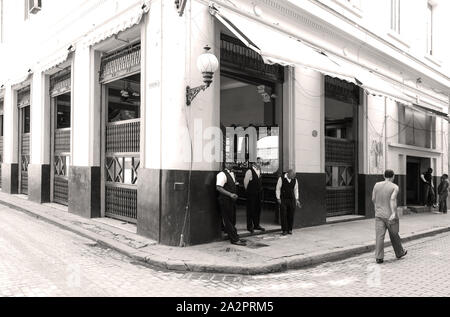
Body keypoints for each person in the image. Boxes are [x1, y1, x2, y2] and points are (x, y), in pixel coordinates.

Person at [372, 169, 407, 264]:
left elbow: (373, 199)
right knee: (395, 234)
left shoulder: (376, 185)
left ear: (384, 176)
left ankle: (379, 257)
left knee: (379, 236)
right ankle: (399, 253)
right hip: (390, 215)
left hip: (378, 214)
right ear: (393, 176)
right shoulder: (395, 187)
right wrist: (394, 213)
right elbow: (392, 199)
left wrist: (377, 210)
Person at [216, 163, 246, 246]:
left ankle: (235, 236)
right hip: (225, 200)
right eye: (229, 163)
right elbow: (218, 187)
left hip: (231, 200)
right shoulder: (221, 174)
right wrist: (230, 194)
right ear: (225, 165)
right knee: (228, 220)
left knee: (232, 219)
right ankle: (234, 239)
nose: (231, 164)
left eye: (232, 163)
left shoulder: (232, 173)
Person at [276, 169, 302, 235]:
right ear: (288, 174)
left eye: (294, 176)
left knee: (291, 214)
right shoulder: (281, 179)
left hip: (292, 199)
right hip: (283, 199)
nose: (293, 177)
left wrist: (297, 199)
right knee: (283, 214)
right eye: (292, 176)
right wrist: (278, 198)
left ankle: (290, 229)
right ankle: (284, 230)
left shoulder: (295, 180)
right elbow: (278, 189)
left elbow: (296, 190)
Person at [244, 158, 265, 233]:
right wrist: (249, 192)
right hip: (251, 194)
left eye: (260, 162)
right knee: (250, 210)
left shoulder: (259, 171)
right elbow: (245, 183)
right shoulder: (249, 171)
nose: (260, 163)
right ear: (254, 163)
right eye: (258, 162)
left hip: (258, 194)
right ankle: (249, 226)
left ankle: (256, 225)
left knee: (257, 209)